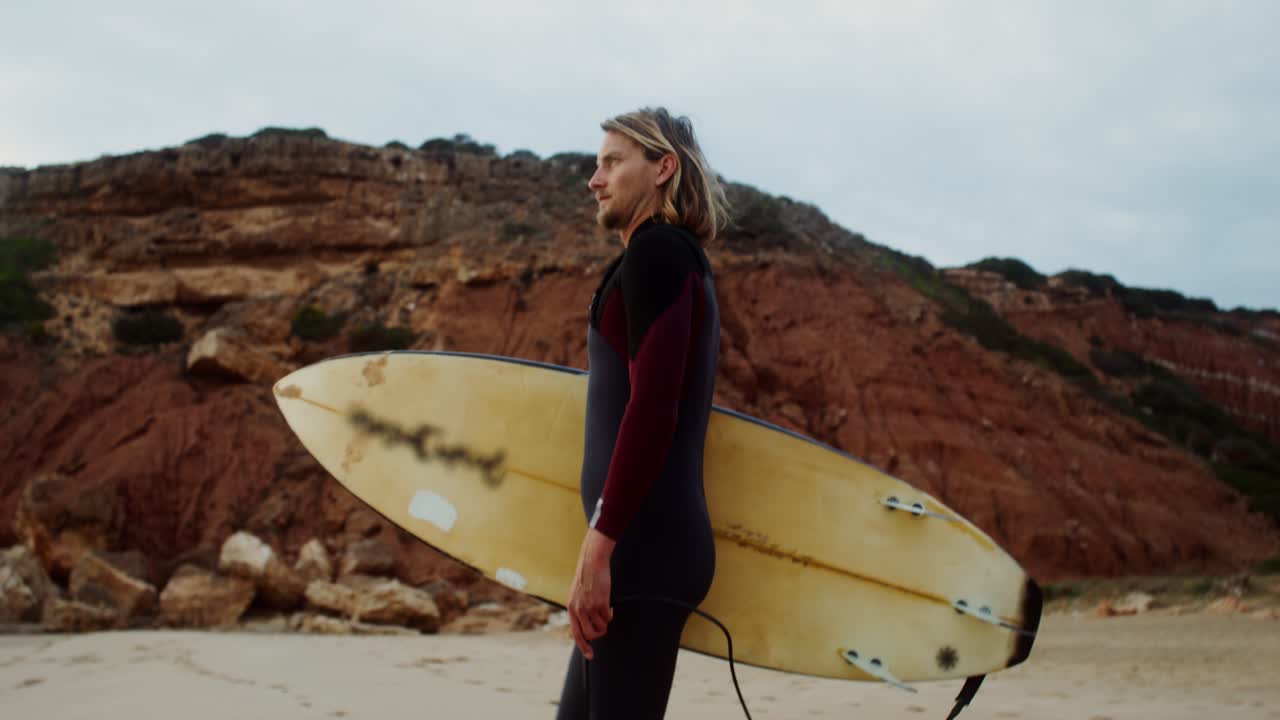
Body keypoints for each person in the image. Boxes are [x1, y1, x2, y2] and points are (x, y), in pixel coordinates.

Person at [555, 107, 730, 719]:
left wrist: (599, 547)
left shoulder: (659, 253)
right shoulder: (661, 259)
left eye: (611, 162)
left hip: (642, 548)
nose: (594, 180)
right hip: (641, 545)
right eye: (596, 165)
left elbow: (653, 410)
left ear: (663, 168)